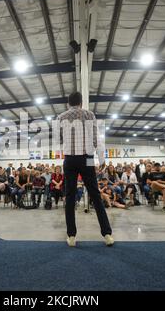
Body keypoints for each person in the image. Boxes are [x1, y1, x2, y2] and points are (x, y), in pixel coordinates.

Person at [57, 92, 113, 247]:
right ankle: (107, 234)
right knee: (95, 194)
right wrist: (101, 159)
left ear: (68, 103)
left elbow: (58, 140)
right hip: (87, 158)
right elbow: (97, 139)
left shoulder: (60, 117)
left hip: (69, 158)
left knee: (70, 196)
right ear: (81, 103)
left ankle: (71, 236)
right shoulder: (89, 115)